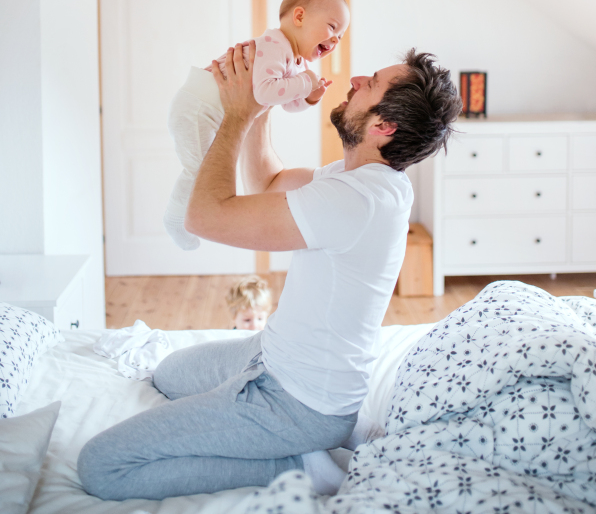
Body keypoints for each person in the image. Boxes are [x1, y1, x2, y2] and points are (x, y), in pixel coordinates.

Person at [78, 43, 462, 501]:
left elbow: (203, 217)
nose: (356, 80)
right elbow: (269, 182)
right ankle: (315, 438)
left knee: (102, 467)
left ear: (383, 126)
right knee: (166, 375)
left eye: (371, 84)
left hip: (298, 404)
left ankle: (297, 462)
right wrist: (261, 100)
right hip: (271, 358)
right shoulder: (363, 179)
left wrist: (236, 116)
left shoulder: (356, 200)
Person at [164, 0, 349, 250]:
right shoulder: (275, 44)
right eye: (332, 27)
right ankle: (176, 220)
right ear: (299, 16)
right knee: (199, 171)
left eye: (340, 36)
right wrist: (306, 83)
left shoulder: (295, 60)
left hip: (206, 109)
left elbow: (284, 102)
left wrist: (308, 97)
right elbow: (264, 93)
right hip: (196, 107)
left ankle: (182, 219)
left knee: (202, 170)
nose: (335, 40)